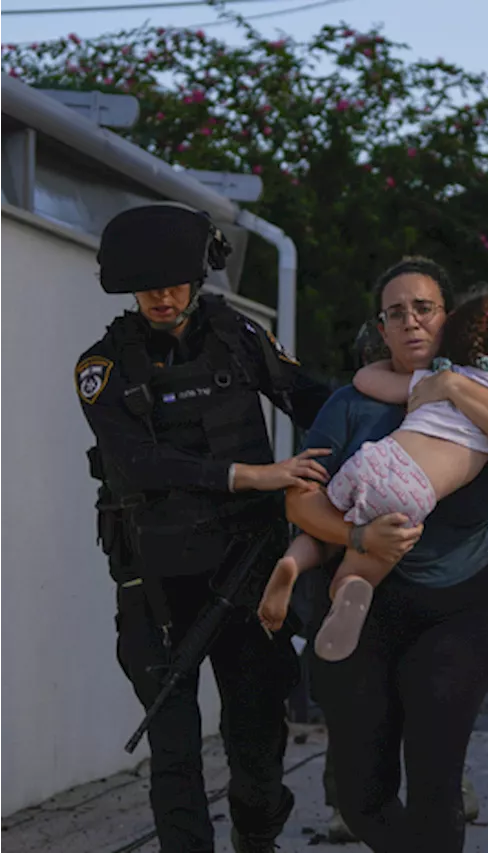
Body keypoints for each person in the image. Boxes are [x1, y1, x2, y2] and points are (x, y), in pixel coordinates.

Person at [76, 202, 337, 853]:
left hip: (247, 568)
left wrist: (396, 411)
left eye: (174, 282)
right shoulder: (102, 366)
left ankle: (256, 833)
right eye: (148, 286)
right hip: (157, 580)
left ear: (199, 278)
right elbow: (138, 463)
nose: (162, 297)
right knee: (174, 746)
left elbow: (309, 398)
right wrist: (253, 475)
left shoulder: (237, 337)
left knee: (257, 737)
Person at [285, 257, 488, 851]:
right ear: (380, 329)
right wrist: (359, 539)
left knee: (437, 784)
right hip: (365, 611)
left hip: (456, 610)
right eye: (396, 313)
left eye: (424, 308)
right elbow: (301, 503)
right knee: (361, 798)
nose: (411, 322)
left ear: (450, 320)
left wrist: (453, 384)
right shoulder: (351, 404)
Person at [258, 292, 488, 662]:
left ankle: (292, 563)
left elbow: (367, 379)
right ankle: (350, 587)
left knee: (325, 525)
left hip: (376, 459)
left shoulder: (440, 375)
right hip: (412, 490)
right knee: (366, 561)